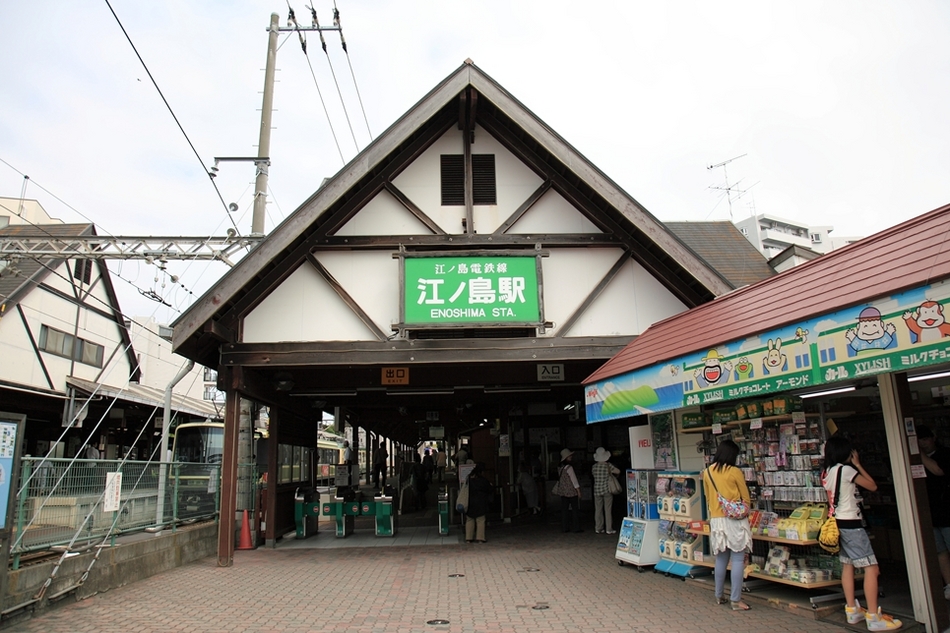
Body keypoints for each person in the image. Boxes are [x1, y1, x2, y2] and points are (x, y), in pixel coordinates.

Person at [823, 435, 902, 630]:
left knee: (847, 565)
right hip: (851, 523)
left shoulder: (827, 472)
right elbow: (872, 485)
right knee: (871, 568)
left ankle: (852, 610)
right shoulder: (847, 470)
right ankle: (874, 616)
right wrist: (858, 464)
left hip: (837, 522)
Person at [701, 439, 752, 612]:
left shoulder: (707, 472)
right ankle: (736, 600)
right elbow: (745, 498)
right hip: (735, 520)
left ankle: (718, 595)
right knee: (737, 559)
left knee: (721, 558)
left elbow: (708, 498)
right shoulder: (734, 471)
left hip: (716, 519)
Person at [915, 425, 950, 599]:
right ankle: (949, 584)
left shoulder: (944, 454)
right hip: (929, 512)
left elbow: (938, 470)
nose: (923, 443)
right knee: (940, 551)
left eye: (925, 439)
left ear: (933, 438)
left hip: (946, 510)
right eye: (920, 440)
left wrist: (918, 453)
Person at [591, 447, 621, 534]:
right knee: (608, 510)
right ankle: (609, 528)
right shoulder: (608, 465)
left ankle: (598, 528)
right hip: (607, 490)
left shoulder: (594, 467)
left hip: (597, 490)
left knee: (598, 509)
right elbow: (618, 471)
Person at [553, 448, 582, 533]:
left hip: (563, 491)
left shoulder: (560, 467)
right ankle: (576, 527)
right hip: (571, 492)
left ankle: (565, 527)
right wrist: (578, 491)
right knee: (575, 510)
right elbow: (574, 480)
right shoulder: (569, 467)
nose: (571, 457)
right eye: (570, 456)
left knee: (564, 510)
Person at [464, 462, 493, 543]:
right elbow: (490, 489)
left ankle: (468, 538)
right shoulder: (483, 480)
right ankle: (480, 538)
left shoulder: (469, 479)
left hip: (470, 502)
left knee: (470, 519)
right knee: (480, 520)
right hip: (481, 502)